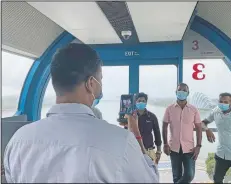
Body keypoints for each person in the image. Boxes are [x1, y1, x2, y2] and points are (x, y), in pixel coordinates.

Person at [4, 43, 159, 183]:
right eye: (101, 79)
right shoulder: (121, 141)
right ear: (91, 84)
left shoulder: (18, 141)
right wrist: (136, 133)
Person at [202, 92, 231, 183]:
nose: (222, 104)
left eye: (226, 102)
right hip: (221, 155)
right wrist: (207, 130)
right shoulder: (215, 111)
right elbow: (203, 123)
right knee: (217, 179)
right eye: (221, 101)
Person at [162, 83, 202, 183]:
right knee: (176, 176)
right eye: (180, 90)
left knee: (189, 175)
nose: (182, 92)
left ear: (188, 93)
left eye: (184, 90)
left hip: (189, 148)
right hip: (173, 148)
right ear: (176, 92)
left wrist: (198, 146)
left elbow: (199, 128)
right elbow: (164, 127)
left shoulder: (193, 109)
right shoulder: (169, 109)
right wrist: (165, 144)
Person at [135, 92, 162, 164]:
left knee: (152, 173)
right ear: (135, 102)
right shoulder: (131, 117)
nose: (141, 102)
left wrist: (159, 151)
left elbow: (157, 133)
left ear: (146, 102)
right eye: (139, 101)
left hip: (149, 151)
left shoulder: (152, 117)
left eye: (143, 101)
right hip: (134, 151)